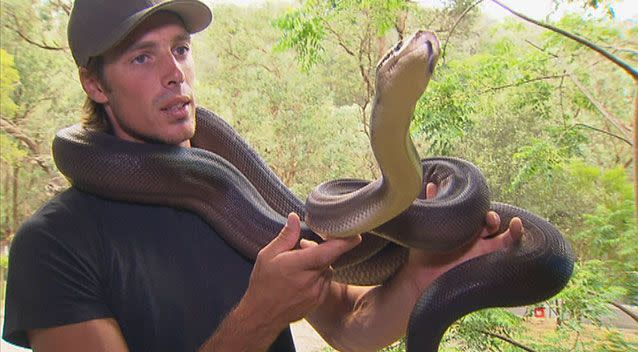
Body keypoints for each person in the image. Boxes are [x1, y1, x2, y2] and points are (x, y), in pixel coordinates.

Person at [2, 0, 523, 351]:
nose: (174, 73)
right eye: (143, 56)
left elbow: (350, 325)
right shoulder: (52, 244)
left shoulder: (238, 196)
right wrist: (259, 317)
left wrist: (418, 278)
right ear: (94, 83)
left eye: (180, 49)